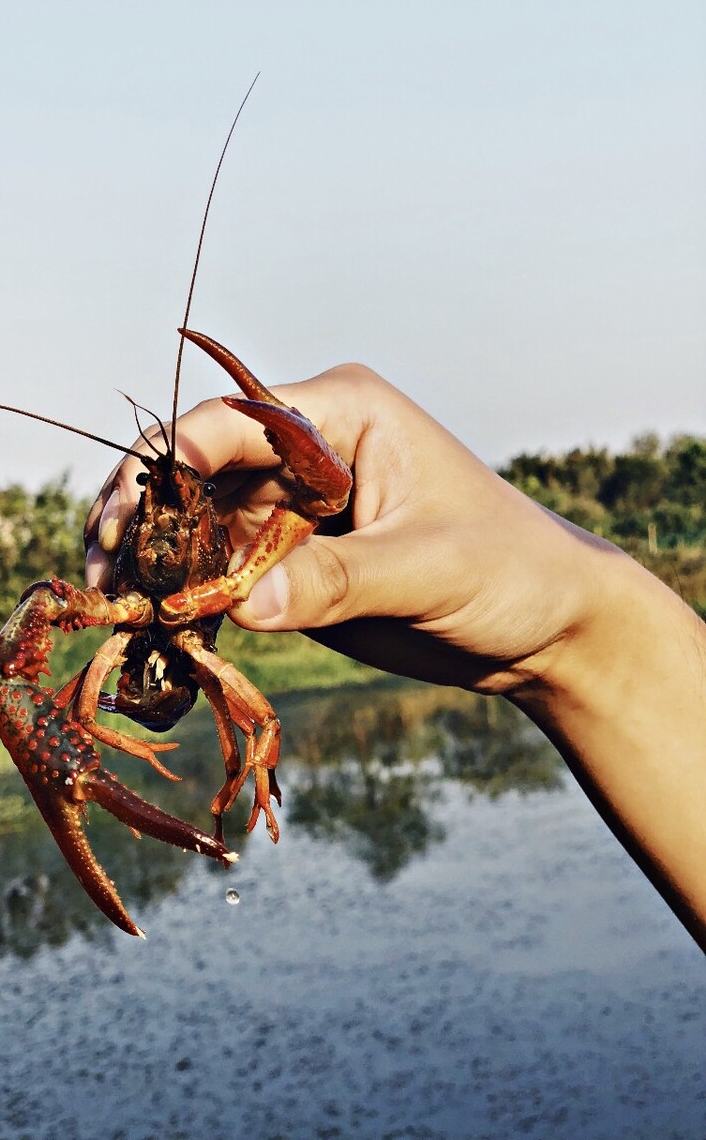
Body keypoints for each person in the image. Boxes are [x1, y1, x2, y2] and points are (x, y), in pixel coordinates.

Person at [84, 360, 706, 950]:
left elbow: (325, 496)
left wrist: (577, 633)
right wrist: (578, 640)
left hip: (197, 658)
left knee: (258, 724)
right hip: (130, 638)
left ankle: (234, 803)